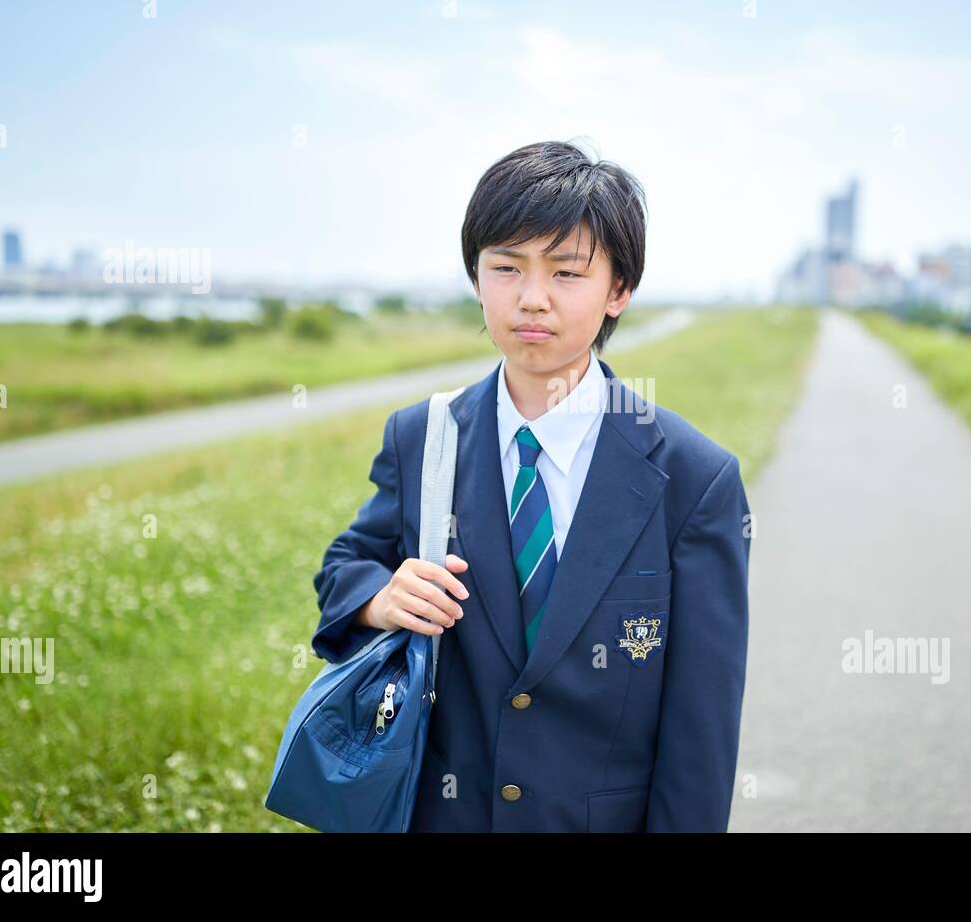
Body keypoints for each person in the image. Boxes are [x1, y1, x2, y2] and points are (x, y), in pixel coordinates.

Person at [310, 140, 751, 832]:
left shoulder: (694, 480)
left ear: (619, 290)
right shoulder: (424, 439)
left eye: (566, 272)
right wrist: (379, 600)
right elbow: (343, 570)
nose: (531, 298)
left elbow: (702, 734)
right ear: (477, 280)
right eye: (506, 268)